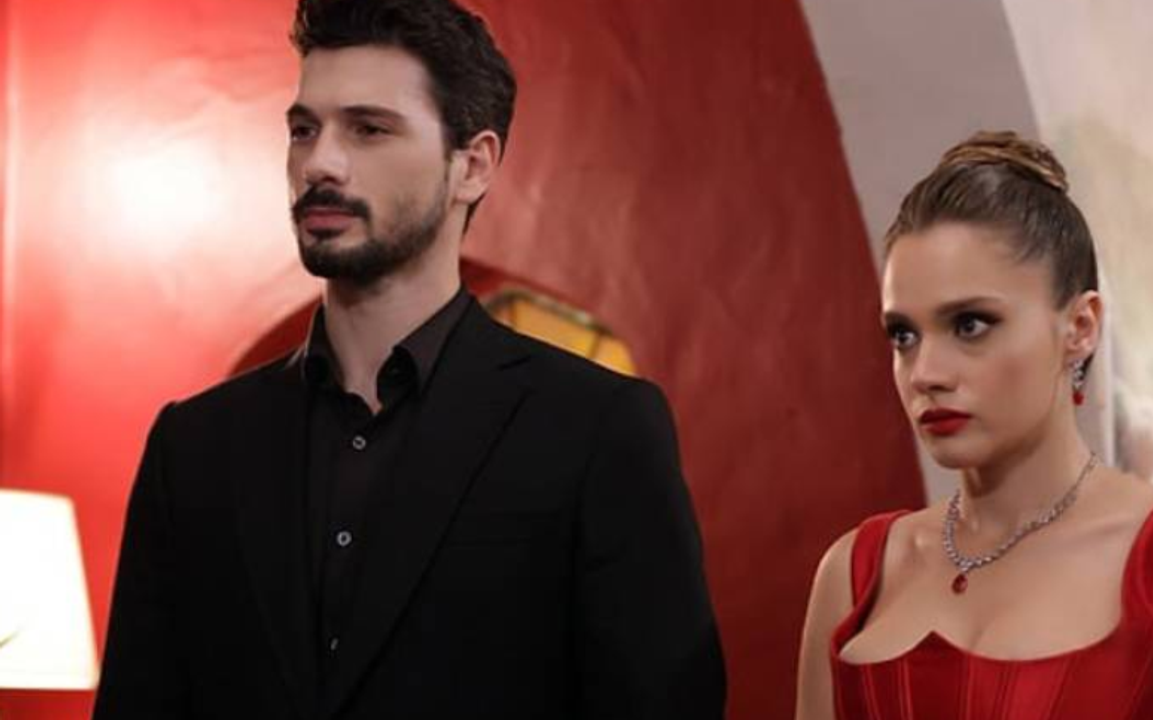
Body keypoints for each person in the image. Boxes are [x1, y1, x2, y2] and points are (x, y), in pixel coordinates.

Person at [93, 1, 725, 718]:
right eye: (304, 129)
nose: (320, 162)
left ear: (472, 166)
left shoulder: (597, 429)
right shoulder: (194, 444)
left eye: (368, 129)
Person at [795, 131, 1153, 720]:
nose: (926, 373)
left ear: (1081, 327)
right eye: (904, 335)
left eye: (970, 324)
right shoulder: (853, 574)